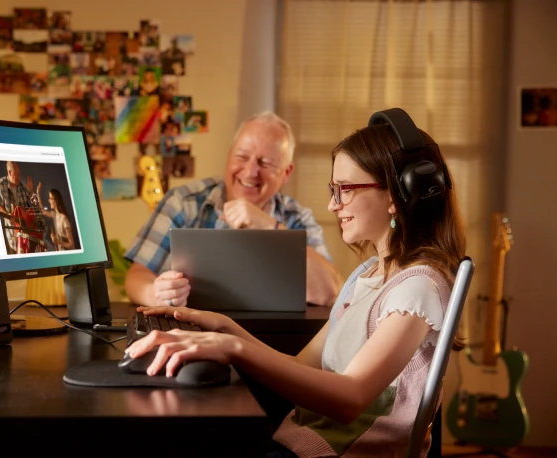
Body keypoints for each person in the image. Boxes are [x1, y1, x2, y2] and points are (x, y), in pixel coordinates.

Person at [126, 112, 466, 457]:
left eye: (345, 190)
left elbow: (350, 399)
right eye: (334, 190)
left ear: (396, 194)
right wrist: (227, 328)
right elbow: (302, 367)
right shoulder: (367, 275)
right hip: (300, 442)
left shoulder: (419, 287)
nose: (333, 205)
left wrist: (233, 349)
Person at [124, 111, 341, 307]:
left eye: (265, 163)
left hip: (271, 342)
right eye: (242, 157)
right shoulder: (183, 202)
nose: (250, 171)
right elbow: (137, 276)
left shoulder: (297, 218)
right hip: (191, 335)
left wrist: (268, 226)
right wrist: (155, 293)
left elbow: (329, 292)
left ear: (286, 172)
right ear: (229, 157)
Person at [0, 161, 36, 254]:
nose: (19, 178)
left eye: (19, 175)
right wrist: (8, 215)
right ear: (9, 172)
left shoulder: (21, 186)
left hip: (27, 236)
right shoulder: (1, 184)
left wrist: (32, 191)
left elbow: (35, 205)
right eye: (16, 175)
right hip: (13, 237)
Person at [37, 185, 75, 251]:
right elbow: (42, 211)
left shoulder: (64, 219)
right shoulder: (54, 215)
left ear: (56, 201)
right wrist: (38, 194)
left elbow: (72, 245)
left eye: (50, 198)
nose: (48, 200)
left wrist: (57, 241)